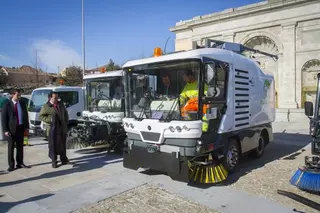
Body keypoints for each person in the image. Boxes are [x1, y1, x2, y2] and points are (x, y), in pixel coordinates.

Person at [39, 92, 71, 168]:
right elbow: (41, 116)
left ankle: (64, 159)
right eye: (55, 98)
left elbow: (65, 113)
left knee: (62, 144)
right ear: (50, 98)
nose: (57, 99)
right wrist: (50, 119)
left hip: (62, 128)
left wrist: (66, 123)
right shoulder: (46, 106)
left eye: (57, 97)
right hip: (52, 130)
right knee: (53, 146)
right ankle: (54, 161)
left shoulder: (61, 104)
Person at [2, 89, 31, 172]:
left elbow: (25, 116)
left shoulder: (22, 103)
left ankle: (20, 163)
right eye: (17, 95)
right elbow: (4, 119)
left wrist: (26, 127)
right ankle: (11, 165)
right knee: (11, 148)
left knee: (20, 147)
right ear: (12, 95)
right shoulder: (7, 104)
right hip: (11, 130)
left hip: (21, 128)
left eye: (20, 95)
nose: (19, 97)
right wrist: (5, 130)